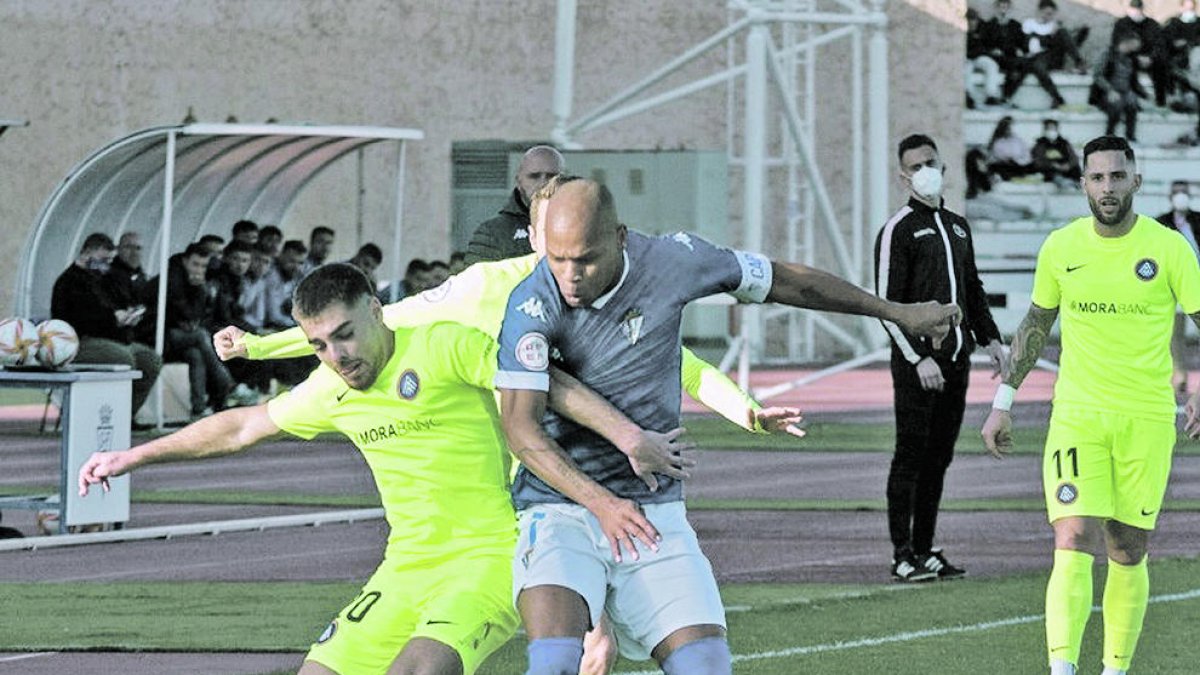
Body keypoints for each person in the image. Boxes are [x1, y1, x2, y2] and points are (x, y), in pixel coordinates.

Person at [215, 176, 806, 675]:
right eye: (549, 232)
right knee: (554, 583)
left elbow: (687, 366)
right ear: (534, 227)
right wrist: (261, 347)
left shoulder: (615, 285)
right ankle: (589, 624)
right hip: (535, 475)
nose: (564, 249)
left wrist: (745, 410)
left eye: (576, 237)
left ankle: (597, 625)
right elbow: (370, 316)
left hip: (617, 480)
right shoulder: (492, 288)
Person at [494, 178, 958, 675]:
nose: (569, 276)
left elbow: (786, 281)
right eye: (558, 260)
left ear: (621, 237)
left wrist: (894, 312)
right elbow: (521, 429)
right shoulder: (530, 303)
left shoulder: (674, 260)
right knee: (555, 662)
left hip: (653, 510)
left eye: (584, 259)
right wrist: (603, 504)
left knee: (707, 666)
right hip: (559, 510)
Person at [79, 263, 525, 675]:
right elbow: (241, 427)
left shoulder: (445, 345)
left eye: (344, 335)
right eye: (319, 345)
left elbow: (545, 388)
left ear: (376, 311)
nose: (336, 356)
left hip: (490, 557)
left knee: (417, 670)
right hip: (407, 567)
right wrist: (130, 457)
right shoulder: (331, 388)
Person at [982, 136, 1200, 675]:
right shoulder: (1061, 247)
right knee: (1073, 534)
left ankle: (1115, 670)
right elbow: (1035, 326)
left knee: (1126, 547)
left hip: (1147, 419)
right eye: (1097, 178)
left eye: (1117, 177)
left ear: (1136, 181)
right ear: (1083, 184)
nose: (1107, 187)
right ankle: (1062, 669)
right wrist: (1002, 401)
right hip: (1077, 414)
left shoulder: (1170, 248)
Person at [875, 135, 1007, 583]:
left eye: (930, 162)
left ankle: (928, 547)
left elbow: (971, 286)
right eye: (914, 166)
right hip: (920, 364)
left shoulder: (957, 225)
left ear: (942, 164)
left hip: (956, 359)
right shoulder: (900, 229)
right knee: (910, 455)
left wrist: (990, 339)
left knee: (940, 457)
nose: (924, 170)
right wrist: (916, 360)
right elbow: (886, 307)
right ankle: (902, 553)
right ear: (902, 176)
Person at [50, 233, 161, 417]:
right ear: (87, 253)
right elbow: (84, 319)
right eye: (103, 259)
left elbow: (116, 304)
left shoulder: (102, 280)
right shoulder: (70, 282)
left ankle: (125, 416)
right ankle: (96, 414)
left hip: (109, 338)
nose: (106, 265)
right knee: (123, 358)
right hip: (79, 342)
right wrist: (113, 318)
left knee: (150, 360)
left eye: (109, 260)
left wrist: (127, 316)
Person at [164, 242, 234, 417]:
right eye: (195, 264)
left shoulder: (196, 281)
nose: (199, 270)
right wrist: (200, 290)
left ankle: (198, 408)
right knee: (202, 336)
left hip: (180, 335)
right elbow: (186, 313)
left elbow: (197, 316)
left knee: (196, 354)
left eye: (203, 266)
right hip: (159, 335)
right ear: (185, 261)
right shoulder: (173, 278)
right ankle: (224, 380)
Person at [464, 145, 564, 264]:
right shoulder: (494, 233)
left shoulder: (582, 225)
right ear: (519, 181)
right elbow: (476, 280)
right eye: (534, 176)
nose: (543, 183)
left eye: (551, 176)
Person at [1156, 181, 1200, 393]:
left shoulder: (1198, 220)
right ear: (1170, 197)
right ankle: (1180, 374)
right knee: (1176, 333)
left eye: (1183, 192)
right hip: (1174, 284)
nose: (1180, 196)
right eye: (1176, 193)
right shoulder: (1161, 223)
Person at [1090, 30, 1147, 142]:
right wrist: (1109, 90)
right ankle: (1109, 136)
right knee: (1116, 105)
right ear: (1126, 42)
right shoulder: (1107, 54)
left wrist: (1146, 94)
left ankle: (1130, 136)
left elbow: (1133, 80)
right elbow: (1098, 75)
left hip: (1125, 90)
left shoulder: (1131, 58)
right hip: (1106, 91)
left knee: (1132, 103)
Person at [1113, 0, 1170, 108]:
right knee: (1125, 68)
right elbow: (1118, 45)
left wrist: (1151, 58)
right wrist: (1135, 57)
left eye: (1137, 10)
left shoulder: (1152, 25)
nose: (1135, 12)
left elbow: (1160, 45)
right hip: (1129, 58)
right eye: (1133, 10)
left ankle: (1160, 101)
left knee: (1161, 67)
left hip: (1150, 59)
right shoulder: (1121, 24)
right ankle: (1134, 101)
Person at [1021, 0, 1088, 75]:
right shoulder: (1029, 24)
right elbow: (1031, 47)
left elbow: (1065, 41)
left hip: (1053, 60)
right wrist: (1050, 35)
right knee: (1060, 33)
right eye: (1047, 14)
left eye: (1052, 15)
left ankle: (1079, 62)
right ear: (1039, 11)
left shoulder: (1052, 26)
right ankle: (1079, 62)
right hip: (1038, 60)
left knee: (1063, 32)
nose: (1049, 17)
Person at [982, 0, 1027, 103]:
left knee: (1021, 65)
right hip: (996, 57)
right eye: (1000, 7)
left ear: (1010, 9)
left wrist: (1019, 49)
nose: (1003, 11)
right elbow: (984, 43)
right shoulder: (989, 25)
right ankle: (1004, 96)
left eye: (1006, 7)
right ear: (996, 9)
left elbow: (1022, 43)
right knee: (1012, 66)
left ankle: (1007, 95)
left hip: (1011, 56)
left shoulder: (1015, 25)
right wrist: (992, 50)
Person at [264, 239, 308, 329]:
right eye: (291, 261)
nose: (296, 267)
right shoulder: (271, 276)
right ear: (281, 256)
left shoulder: (295, 277)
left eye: (300, 263)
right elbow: (274, 316)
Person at [966, 8, 1004, 109]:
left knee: (992, 65)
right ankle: (968, 96)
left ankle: (991, 96)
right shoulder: (959, 29)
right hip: (965, 58)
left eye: (974, 20)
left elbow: (987, 45)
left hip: (979, 56)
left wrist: (989, 51)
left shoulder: (983, 28)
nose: (972, 23)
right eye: (969, 20)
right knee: (966, 69)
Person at [1032, 119, 1083, 190]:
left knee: (1076, 168)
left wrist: (1068, 165)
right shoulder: (1040, 144)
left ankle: (1078, 183)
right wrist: (1053, 165)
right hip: (1051, 169)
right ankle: (1064, 183)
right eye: (1048, 128)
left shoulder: (1064, 143)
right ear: (1044, 130)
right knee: (1048, 171)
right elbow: (1038, 161)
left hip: (1065, 167)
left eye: (1053, 128)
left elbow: (1074, 158)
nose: (1051, 131)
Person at [988, 116, 1039, 181]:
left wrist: (1020, 161)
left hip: (1019, 165)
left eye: (1010, 127)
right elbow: (996, 156)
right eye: (1008, 127)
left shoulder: (1018, 140)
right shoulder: (997, 142)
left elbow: (1027, 155)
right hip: (1005, 165)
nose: (1009, 129)